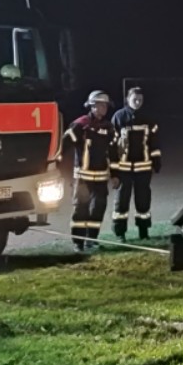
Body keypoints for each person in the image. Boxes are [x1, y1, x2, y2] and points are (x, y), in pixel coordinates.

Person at [60, 90, 119, 250]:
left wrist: (115, 175)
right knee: (81, 210)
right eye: (100, 105)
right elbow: (63, 146)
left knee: (98, 208)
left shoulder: (109, 128)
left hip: (101, 177)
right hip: (82, 178)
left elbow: (113, 153)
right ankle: (78, 243)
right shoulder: (80, 125)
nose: (104, 108)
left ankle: (92, 239)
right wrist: (60, 169)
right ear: (92, 106)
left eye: (105, 105)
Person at [110, 86, 161, 240]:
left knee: (143, 202)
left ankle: (143, 232)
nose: (137, 102)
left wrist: (156, 161)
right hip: (123, 169)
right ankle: (120, 233)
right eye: (135, 99)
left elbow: (154, 142)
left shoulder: (149, 119)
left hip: (143, 168)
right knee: (121, 202)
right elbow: (112, 146)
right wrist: (113, 171)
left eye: (140, 100)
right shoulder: (119, 117)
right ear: (128, 99)